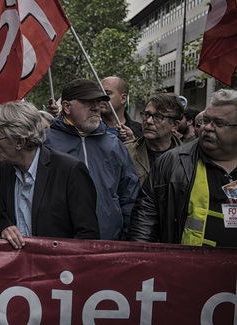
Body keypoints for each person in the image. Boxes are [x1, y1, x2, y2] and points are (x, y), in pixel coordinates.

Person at [128, 89, 237, 247]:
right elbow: (144, 224)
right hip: (185, 268)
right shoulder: (172, 162)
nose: (207, 128)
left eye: (218, 123)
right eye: (206, 120)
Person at [0, 101, 99, 249]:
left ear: (19, 141)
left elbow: (87, 235)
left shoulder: (69, 171)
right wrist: (4, 228)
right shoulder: (4, 170)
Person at [44, 78, 140, 240]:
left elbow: (129, 194)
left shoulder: (113, 144)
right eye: (88, 102)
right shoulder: (46, 142)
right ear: (67, 107)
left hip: (107, 240)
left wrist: (127, 234)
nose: (96, 107)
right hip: (59, 242)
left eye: (98, 101)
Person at [125, 93, 183, 186]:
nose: (148, 121)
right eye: (147, 114)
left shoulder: (187, 158)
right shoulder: (126, 151)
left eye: (158, 117)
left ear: (175, 125)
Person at [100, 76, 143, 141]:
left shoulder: (141, 131)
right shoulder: (89, 128)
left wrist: (131, 143)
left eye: (107, 93)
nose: (101, 97)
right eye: (99, 93)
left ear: (123, 98)